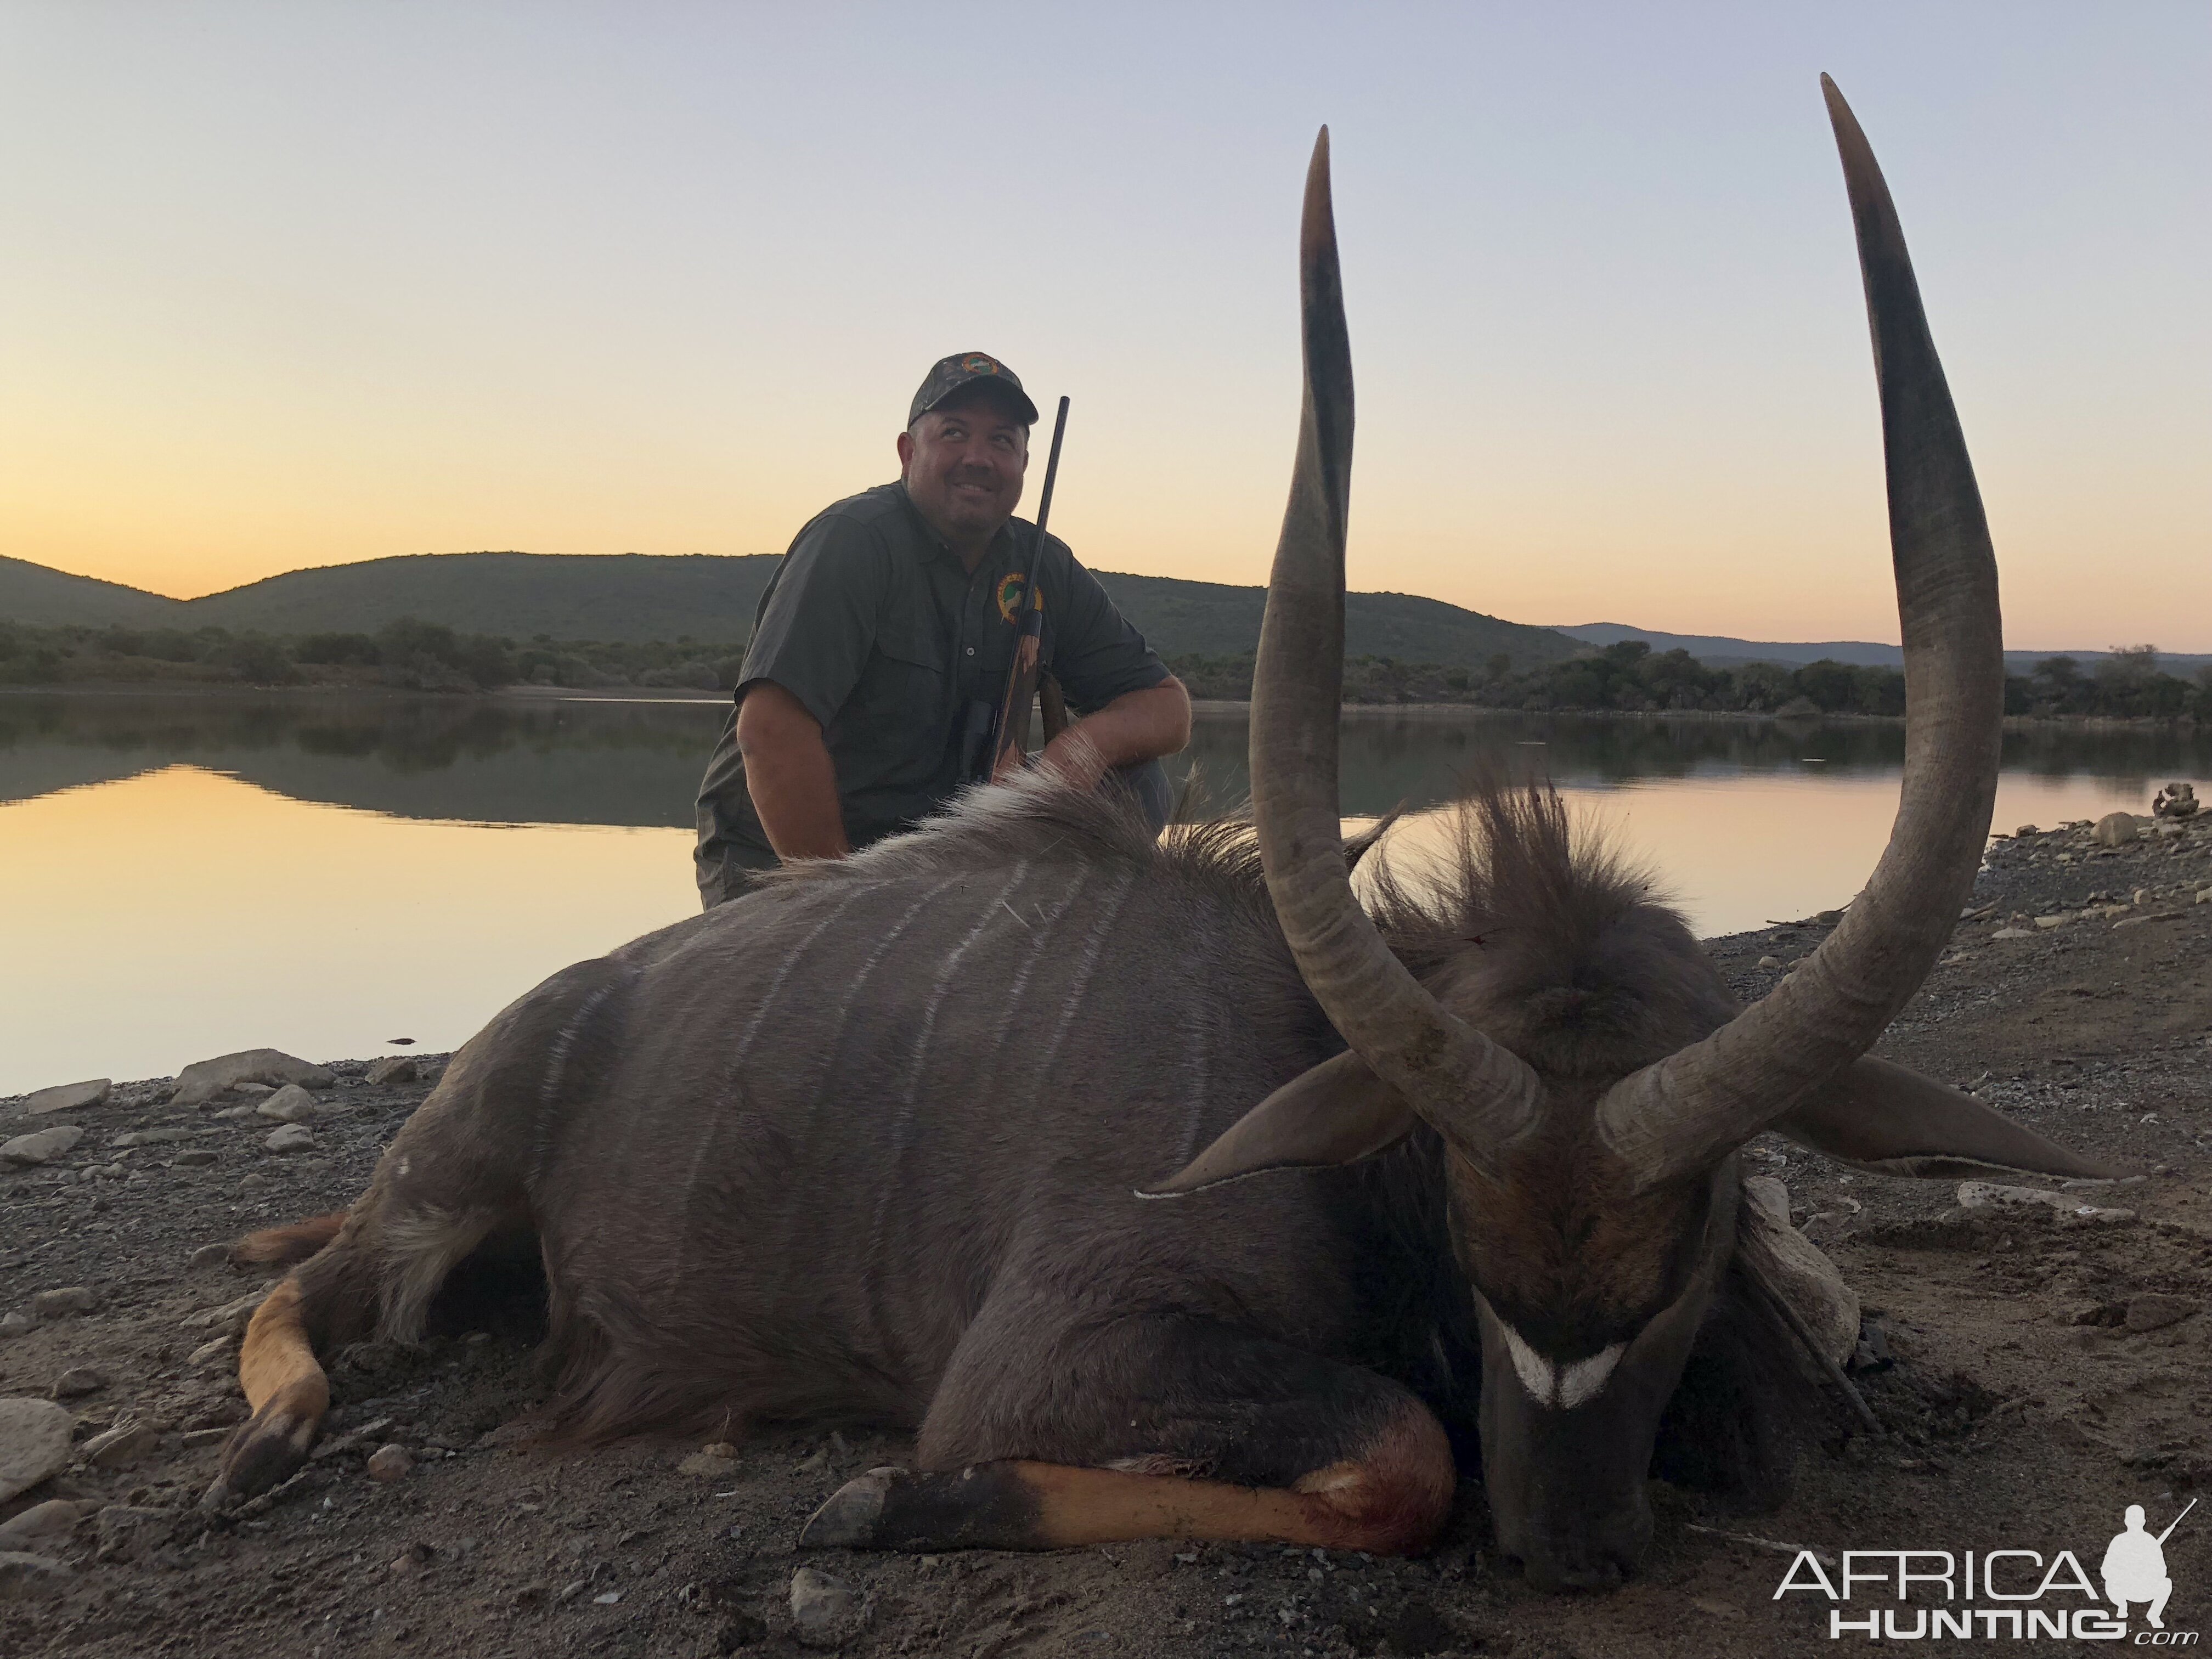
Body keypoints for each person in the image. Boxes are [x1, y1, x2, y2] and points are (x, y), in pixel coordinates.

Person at [693, 352, 1192, 906]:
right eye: (955, 433)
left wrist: (1071, 758)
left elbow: (1168, 708)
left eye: (1003, 441)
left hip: (936, 861)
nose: (978, 458)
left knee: (1137, 782)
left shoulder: (1043, 563)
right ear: (909, 452)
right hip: (791, 863)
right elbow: (771, 732)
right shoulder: (853, 540)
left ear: (1025, 463)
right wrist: (842, 906)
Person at [2101, 1504, 2175, 1629]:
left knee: (2166, 1583)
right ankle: (2122, 1606)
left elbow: (2162, 1571)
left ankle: (2154, 1615)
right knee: (2110, 1583)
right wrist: (2125, 1572)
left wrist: (2145, 1571)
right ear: (2144, 1522)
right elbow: (2106, 1571)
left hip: (2145, 1590)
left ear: (2126, 1522)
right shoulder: (2119, 1541)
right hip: (2123, 1589)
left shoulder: (2151, 1542)